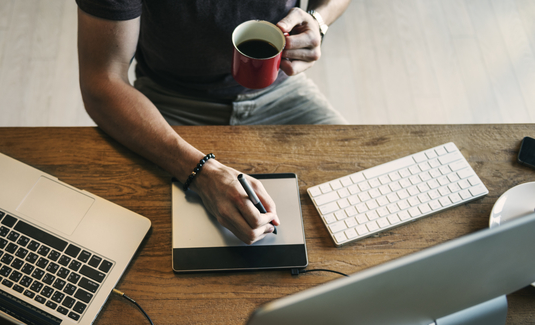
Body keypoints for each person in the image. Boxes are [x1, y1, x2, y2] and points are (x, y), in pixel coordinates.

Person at [76, 0, 350, 245]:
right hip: (171, 99)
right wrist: (200, 173)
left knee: (352, 191)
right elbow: (101, 82)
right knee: (138, 237)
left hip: (281, 89)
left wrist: (318, 19)